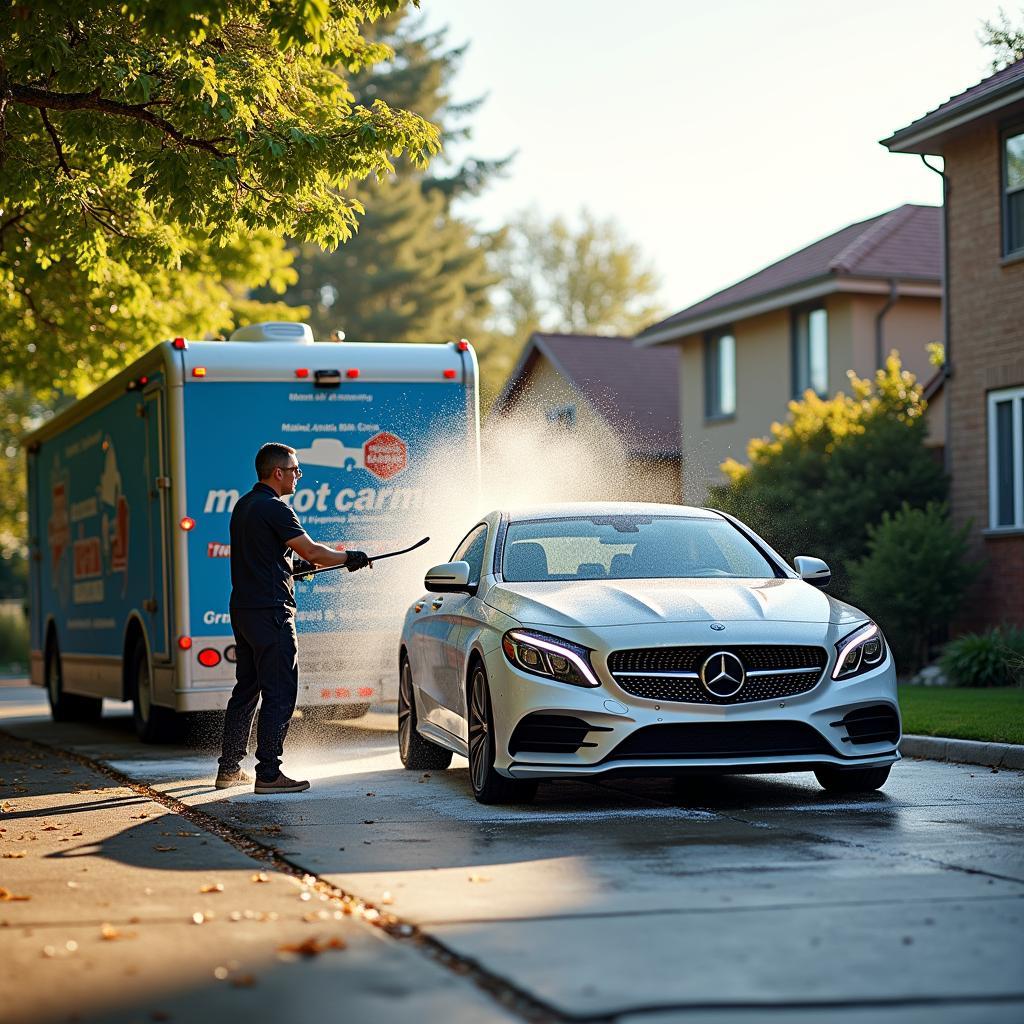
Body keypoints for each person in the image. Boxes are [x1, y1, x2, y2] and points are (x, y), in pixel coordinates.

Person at [215, 442, 370, 793]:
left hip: (245, 610)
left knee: (247, 689)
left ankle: (228, 769)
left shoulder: (244, 506)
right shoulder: (276, 508)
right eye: (295, 469)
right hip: (272, 612)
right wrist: (350, 557)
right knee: (280, 691)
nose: (299, 475)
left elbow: (266, 558)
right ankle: (269, 773)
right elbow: (313, 550)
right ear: (278, 472)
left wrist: (292, 567)